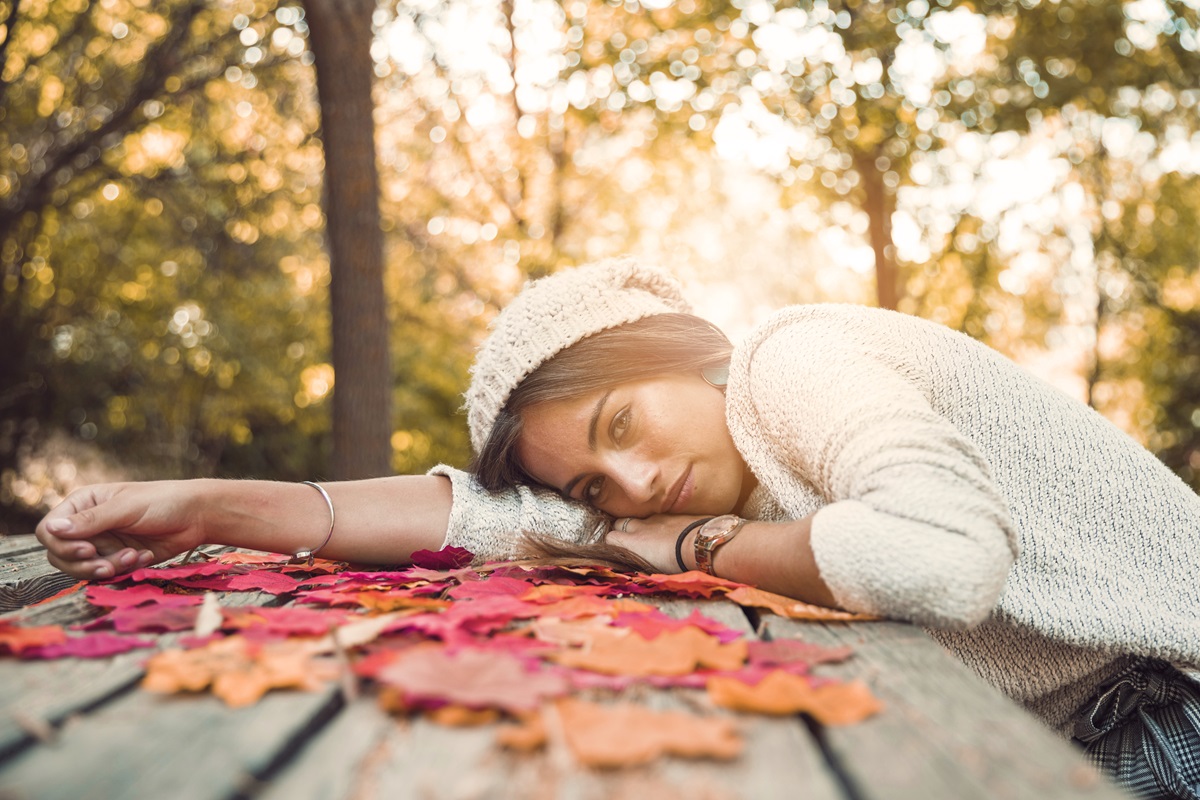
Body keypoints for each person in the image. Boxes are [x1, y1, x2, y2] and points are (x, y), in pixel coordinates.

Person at [36, 257, 1200, 799]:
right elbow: (465, 510)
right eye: (592, 483)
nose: (633, 482)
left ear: (679, 352)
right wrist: (191, 507)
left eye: (622, 420)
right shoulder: (685, 471)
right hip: (1079, 747)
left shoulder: (796, 361)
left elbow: (941, 557)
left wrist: (702, 552)